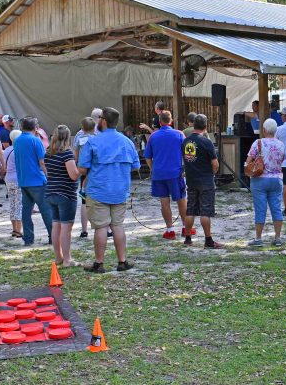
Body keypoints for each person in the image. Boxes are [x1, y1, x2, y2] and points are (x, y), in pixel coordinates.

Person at [78, 107, 141, 273]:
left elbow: (82, 169)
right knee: (117, 225)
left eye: (100, 118)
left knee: (100, 227)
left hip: (98, 190)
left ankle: (99, 263)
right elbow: (135, 166)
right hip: (119, 190)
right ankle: (122, 261)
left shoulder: (93, 141)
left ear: (103, 121)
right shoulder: (127, 142)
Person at [144, 110, 187, 240]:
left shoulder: (153, 136)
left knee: (164, 202)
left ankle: (170, 230)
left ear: (160, 122)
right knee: (181, 200)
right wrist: (186, 169)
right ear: (171, 121)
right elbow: (187, 153)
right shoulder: (179, 134)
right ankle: (186, 228)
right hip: (176, 173)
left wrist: (153, 169)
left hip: (159, 174)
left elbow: (147, 157)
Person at [182, 114, 223, 248]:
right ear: (205, 126)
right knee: (205, 211)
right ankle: (208, 240)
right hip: (205, 180)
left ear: (193, 125)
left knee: (191, 210)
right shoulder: (206, 142)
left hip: (191, 179)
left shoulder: (186, 141)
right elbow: (215, 164)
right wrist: (212, 173)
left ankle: (188, 239)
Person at [44, 125, 82, 266]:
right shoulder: (67, 153)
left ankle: (58, 257)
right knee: (66, 228)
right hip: (65, 194)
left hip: (51, 192)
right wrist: (82, 170)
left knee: (56, 226)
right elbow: (73, 175)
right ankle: (67, 260)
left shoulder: (48, 153)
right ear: (67, 137)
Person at [246, 118, 286, 247]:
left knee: (260, 209)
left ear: (264, 130)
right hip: (276, 180)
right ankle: (278, 237)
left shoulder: (258, 143)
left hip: (259, 179)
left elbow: (248, 161)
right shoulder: (281, 144)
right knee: (276, 208)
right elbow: (283, 160)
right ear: (275, 131)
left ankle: (258, 238)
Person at [14, 116, 52, 246]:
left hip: (23, 181)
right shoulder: (36, 141)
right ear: (36, 128)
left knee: (26, 211)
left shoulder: (17, 141)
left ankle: (28, 239)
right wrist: (49, 177)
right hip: (37, 181)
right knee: (46, 210)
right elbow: (42, 162)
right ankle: (53, 236)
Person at [74, 111, 101, 238]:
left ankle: (84, 230)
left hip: (84, 170)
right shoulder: (97, 137)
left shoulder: (78, 138)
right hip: (96, 171)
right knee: (100, 200)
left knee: (84, 201)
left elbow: (76, 156)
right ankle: (103, 228)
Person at [2, 129, 23, 239]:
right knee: (19, 204)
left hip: (8, 179)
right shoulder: (19, 150)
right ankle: (19, 230)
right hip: (18, 179)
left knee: (12, 204)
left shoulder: (7, 150)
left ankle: (14, 229)